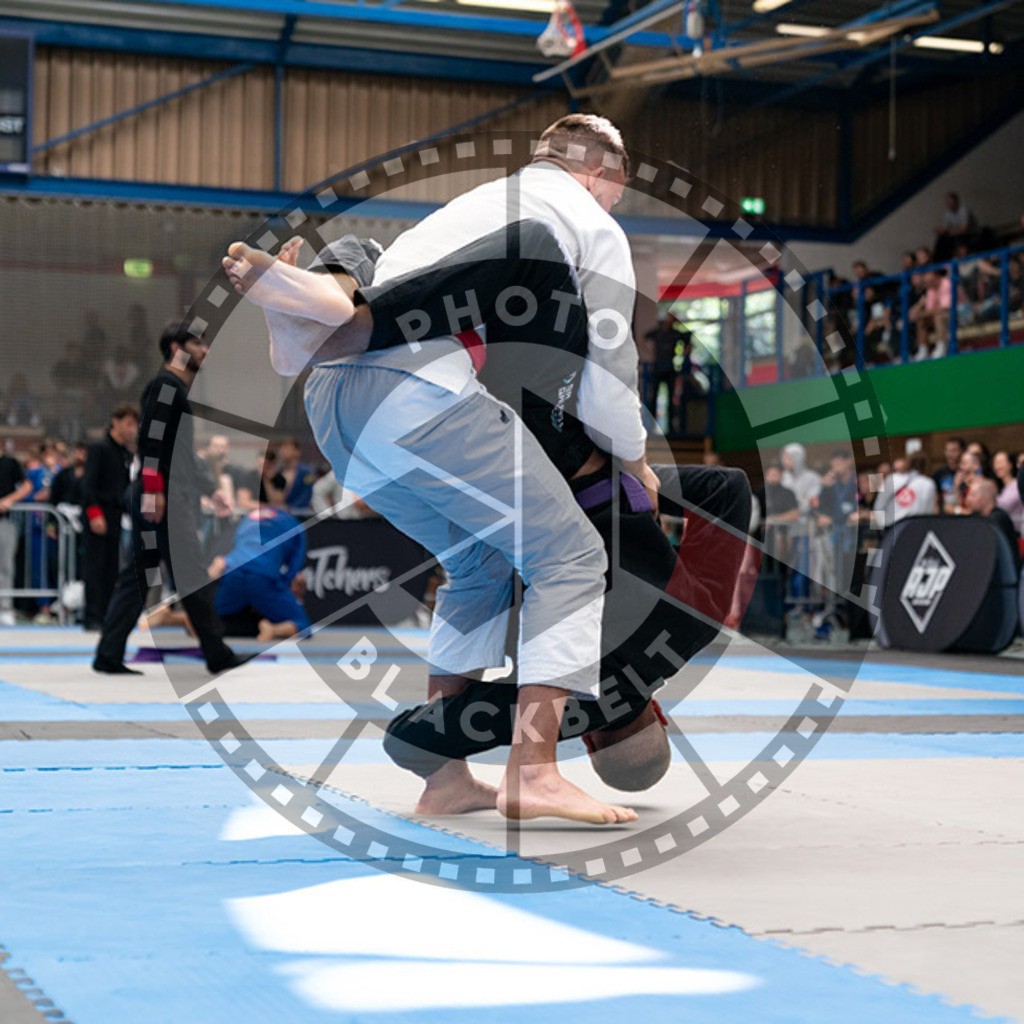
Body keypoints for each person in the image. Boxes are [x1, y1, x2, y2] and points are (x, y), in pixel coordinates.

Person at [226, 114, 648, 825]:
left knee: (481, 566)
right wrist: (636, 458)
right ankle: (535, 769)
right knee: (572, 556)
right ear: (601, 175)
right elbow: (610, 366)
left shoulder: (474, 205)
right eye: (616, 193)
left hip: (335, 406)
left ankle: (444, 775)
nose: (612, 207)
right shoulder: (587, 220)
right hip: (417, 394)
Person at [92, 322, 246, 676]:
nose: (204, 350)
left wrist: (209, 491)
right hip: (160, 498)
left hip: (161, 494)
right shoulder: (165, 385)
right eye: (197, 343)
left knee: (140, 576)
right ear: (177, 347)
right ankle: (216, 652)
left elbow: (182, 456)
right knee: (189, 574)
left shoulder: (174, 389)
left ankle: (108, 653)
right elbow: (150, 441)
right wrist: (155, 492)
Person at [209, 500, 310, 642]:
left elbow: (237, 547)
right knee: (303, 626)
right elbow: (294, 568)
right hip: (263, 575)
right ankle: (273, 629)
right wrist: (282, 589)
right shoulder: (293, 524)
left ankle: (185, 619)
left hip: (233, 572)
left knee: (210, 618)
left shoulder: (247, 519)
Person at [82, 404, 139, 630]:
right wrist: (94, 513)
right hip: (98, 513)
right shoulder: (99, 449)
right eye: (128, 424)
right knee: (95, 567)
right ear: (115, 422)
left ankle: (107, 614)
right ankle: (92, 616)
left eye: (134, 425)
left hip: (116, 514)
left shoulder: (125, 453)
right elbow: (88, 485)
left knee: (110, 568)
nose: (132, 429)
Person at [0, 448, 32, 626]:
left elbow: (27, 486)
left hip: (5, 521)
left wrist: (9, 500)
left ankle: (5, 607)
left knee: (5, 566)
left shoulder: (10, 463)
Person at [966, 478, 1020, 569]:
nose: (968, 499)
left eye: (973, 495)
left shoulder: (997, 519)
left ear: (985, 498)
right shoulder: (978, 518)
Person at [642, 313, 684, 430]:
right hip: (658, 368)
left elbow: (687, 339)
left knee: (671, 398)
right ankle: (651, 427)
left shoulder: (674, 334)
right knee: (653, 397)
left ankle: (671, 427)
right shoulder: (658, 332)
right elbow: (644, 338)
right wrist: (651, 354)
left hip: (670, 368)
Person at [874, 452, 937, 525]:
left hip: (892, 529)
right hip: (916, 527)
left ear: (907, 464)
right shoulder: (929, 484)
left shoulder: (891, 479)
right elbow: (929, 512)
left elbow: (878, 506)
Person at [274, 436, 316, 514]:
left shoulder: (307, 472)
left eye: (287, 448)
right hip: (281, 514)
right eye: (281, 448)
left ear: (297, 452)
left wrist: (290, 509)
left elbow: (307, 495)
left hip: (301, 514)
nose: (283, 451)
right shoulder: (277, 473)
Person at [992, 450, 1023, 534]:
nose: (997, 466)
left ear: (1010, 464)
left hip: (1017, 533)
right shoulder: (1001, 488)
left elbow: (1004, 506)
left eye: (1000, 462)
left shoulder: (1016, 485)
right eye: (995, 463)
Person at [933, 437, 965, 513]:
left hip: (964, 515)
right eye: (947, 450)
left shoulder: (966, 473)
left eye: (954, 451)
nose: (950, 454)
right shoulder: (939, 474)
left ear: (962, 452)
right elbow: (935, 499)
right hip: (944, 515)